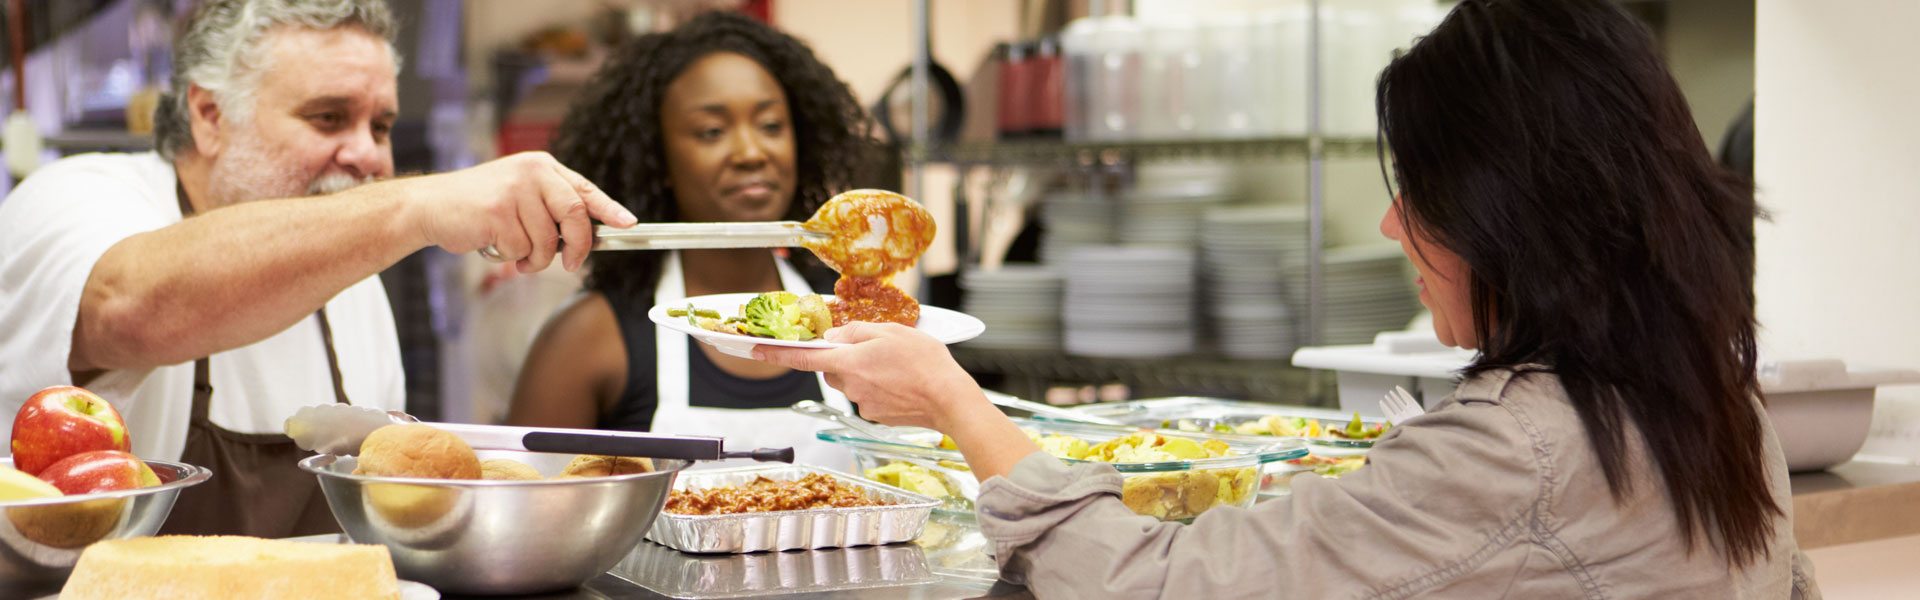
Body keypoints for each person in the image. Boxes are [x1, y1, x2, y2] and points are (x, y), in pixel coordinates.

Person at [753, 1, 1821, 597]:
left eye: (1421, 199)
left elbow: (1154, 585)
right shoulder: (1709, 394)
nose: (1394, 229)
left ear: (1518, 220)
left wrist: (950, 399)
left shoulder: (1523, 450)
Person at [0, 0, 636, 538]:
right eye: (328, 117)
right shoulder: (76, 196)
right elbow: (129, 307)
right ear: (209, 115)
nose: (366, 154)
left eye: (380, 125)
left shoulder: (352, 286)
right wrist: (418, 203)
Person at [505, 12, 870, 466]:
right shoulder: (590, 337)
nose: (752, 152)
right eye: (712, 131)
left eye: (771, 125)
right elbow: (524, 507)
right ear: (657, 161)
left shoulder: (849, 317)